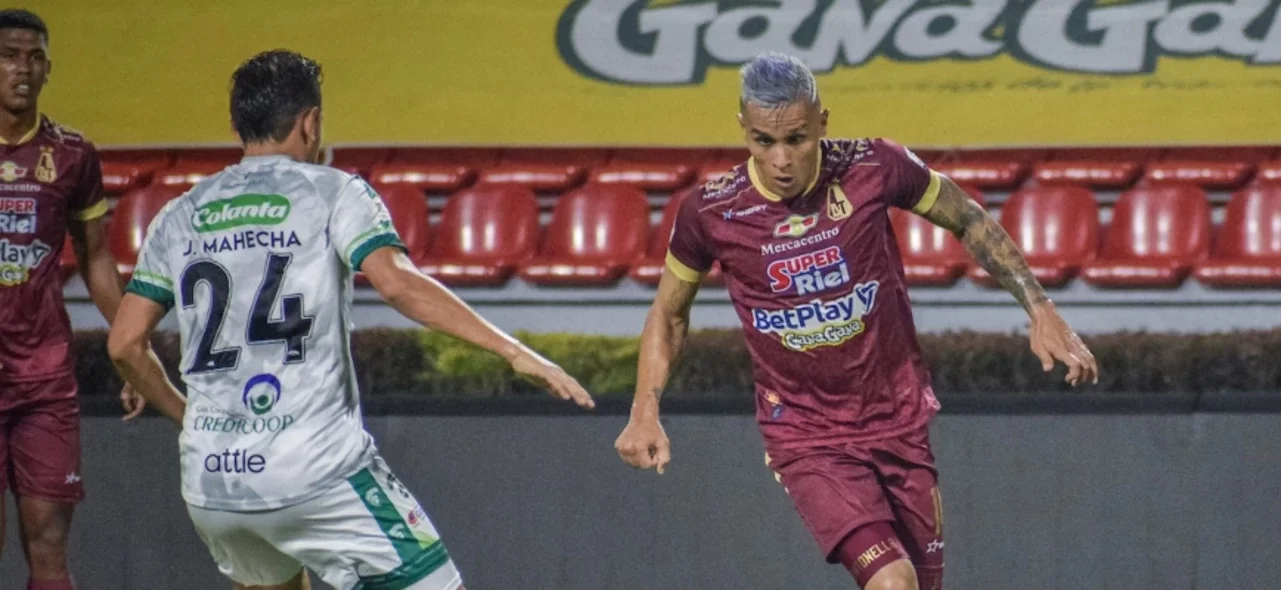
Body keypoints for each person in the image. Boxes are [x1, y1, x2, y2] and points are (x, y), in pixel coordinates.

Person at [106, 49, 595, 590]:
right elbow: (396, 283)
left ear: (237, 125)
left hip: (214, 484)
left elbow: (125, 345)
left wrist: (188, 418)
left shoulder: (179, 213)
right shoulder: (335, 192)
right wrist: (512, 350)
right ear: (310, 121)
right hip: (317, 473)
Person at [614, 52, 1098, 590]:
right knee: (894, 582)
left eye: (796, 138)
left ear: (823, 121)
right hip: (807, 434)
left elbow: (967, 216)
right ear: (743, 131)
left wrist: (1040, 308)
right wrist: (644, 409)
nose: (780, 159)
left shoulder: (875, 167)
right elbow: (669, 314)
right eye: (762, 141)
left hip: (898, 417)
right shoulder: (710, 212)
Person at [0, 9, 143, 590]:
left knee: (50, 546)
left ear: (49, 68)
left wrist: (131, 349)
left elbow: (97, 260)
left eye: (34, 57)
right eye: (9, 55)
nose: (22, 69)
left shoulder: (74, 156)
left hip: (44, 379)